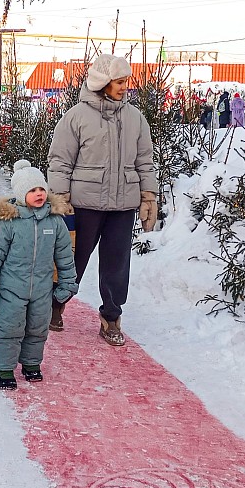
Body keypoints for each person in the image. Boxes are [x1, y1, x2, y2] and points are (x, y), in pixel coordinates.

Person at [47, 54, 158, 346]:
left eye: (126, 82)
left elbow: (145, 161)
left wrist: (148, 196)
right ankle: (56, 304)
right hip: (83, 205)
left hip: (122, 206)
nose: (124, 87)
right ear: (103, 83)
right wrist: (60, 199)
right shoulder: (77, 117)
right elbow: (59, 161)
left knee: (117, 264)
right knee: (72, 259)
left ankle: (111, 316)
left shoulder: (135, 118)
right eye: (119, 82)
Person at [0, 160, 78, 390]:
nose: (39, 194)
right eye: (32, 190)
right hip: (12, 287)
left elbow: (64, 256)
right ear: (22, 194)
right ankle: (4, 367)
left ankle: (31, 363)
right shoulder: (9, 222)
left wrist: (67, 283)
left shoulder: (55, 221)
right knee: (10, 327)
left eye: (41, 189)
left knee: (37, 327)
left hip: (42, 288)